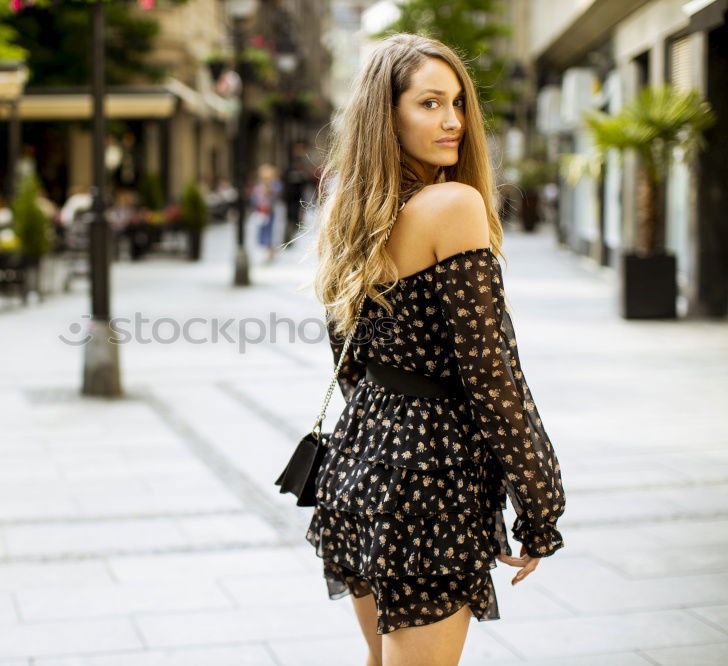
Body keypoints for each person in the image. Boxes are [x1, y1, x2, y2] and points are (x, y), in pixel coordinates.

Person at [301, 33, 566, 666]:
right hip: (429, 481)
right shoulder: (455, 205)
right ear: (385, 115)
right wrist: (540, 501)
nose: (453, 121)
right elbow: (494, 375)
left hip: (360, 461)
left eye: (457, 103)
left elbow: (349, 355)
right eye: (428, 104)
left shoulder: (352, 212)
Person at [250, 164, 282, 263]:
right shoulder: (259, 184)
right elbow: (254, 198)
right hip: (261, 212)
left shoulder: (274, 184)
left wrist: (269, 193)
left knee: (271, 231)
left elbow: (277, 194)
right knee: (262, 231)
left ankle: (270, 250)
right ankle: (268, 250)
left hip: (271, 211)